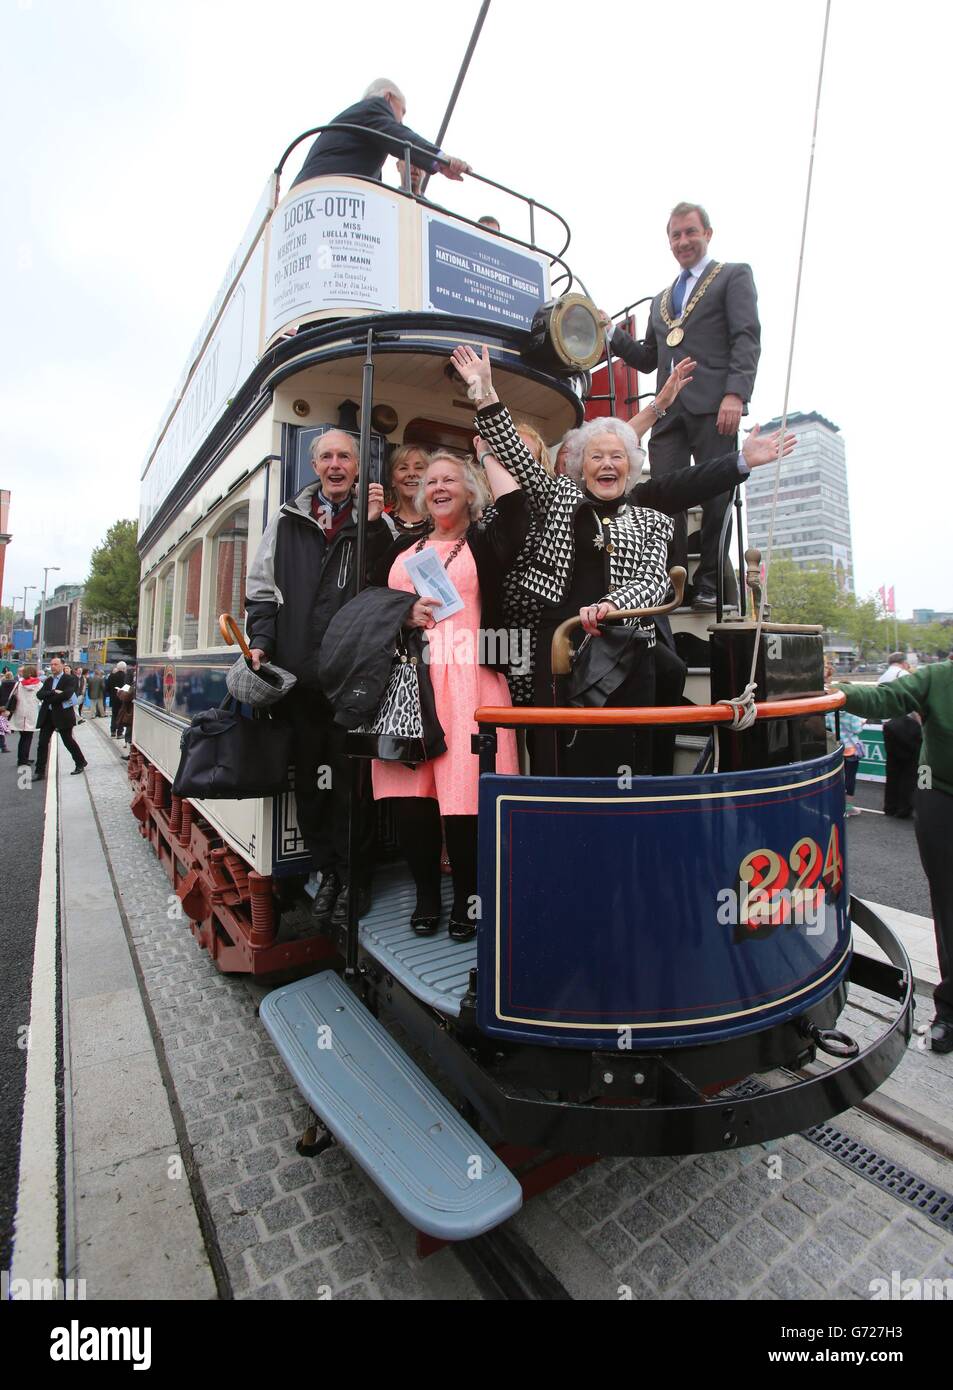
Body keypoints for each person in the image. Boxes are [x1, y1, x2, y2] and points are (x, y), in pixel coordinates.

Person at [452, 344, 794, 774]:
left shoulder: (652, 520)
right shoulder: (558, 496)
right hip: (557, 648)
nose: (607, 464)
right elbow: (518, 457)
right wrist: (484, 390)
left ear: (630, 468)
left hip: (625, 649)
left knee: (622, 755)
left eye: (617, 457)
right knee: (556, 756)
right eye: (596, 457)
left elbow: (654, 580)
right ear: (581, 467)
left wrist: (613, 607)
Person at [368, 450, 528, 940]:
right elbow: (370, 602)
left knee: (465, 795)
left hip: (470, 678)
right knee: (410, 795)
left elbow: (517, 508)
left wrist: (487, 452)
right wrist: (403, 614)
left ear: (469, 491)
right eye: (431, 481)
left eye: (450, 480)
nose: (438, 487)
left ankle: (466, 898)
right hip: (410, 680)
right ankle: (426, 896)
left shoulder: (485, 540)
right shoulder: (404, 547)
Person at [245, 430, 389, 927]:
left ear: (357, 466)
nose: (335, 464)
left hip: (352, 681)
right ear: (314, 466)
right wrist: (261, 641)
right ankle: (328, 871)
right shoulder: (287, 521)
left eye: (344, 456)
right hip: (300, 680)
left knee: (353, 786)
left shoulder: (376, 520)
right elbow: (261, 591)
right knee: (310, 783)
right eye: (326, 456)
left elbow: (388, 584)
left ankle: (355, 876)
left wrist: (375, 527)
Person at [599, 202, 761, 610]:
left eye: (690, 232)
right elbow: (647, 359)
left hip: (714, 405)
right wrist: (612, 333)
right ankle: (671, 576)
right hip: (668, 411)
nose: (683, 241)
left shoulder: (733, 276)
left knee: (717, 493)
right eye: (676, 235)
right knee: (664, 493)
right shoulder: (660, 301)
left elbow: (746, 336)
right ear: (669, 241)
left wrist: (735, 394)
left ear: (708, 233)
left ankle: (709, 581)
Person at [831, 660, 953, 1053]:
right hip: (942, 796)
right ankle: (950, 1011)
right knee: (949, 904)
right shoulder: (938, 677)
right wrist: (833, 689)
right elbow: (886, 698)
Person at [292, 79, 470, 189]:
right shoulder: (374, 107)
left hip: (311, 193)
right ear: (388, 97)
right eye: (402, 111)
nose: (401, 121)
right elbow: (400, 135)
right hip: (327, 190)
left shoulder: (358, 126)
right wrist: (440, 159)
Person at [875, 653, 921, 817]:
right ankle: (904, 807)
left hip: (889, 725)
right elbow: (914, 704)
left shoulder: (882, 677)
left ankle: (890, 806)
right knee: (910, 769)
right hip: (906, 725)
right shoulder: (904, 675)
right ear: (904, 663)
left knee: (893, 768)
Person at [34, 657, 87, 779]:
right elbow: (39, 694)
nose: (53, 667)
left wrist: (49, 698)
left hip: (63, 715)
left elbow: (67, 695)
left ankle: (80, 762)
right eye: (51, 664)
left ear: (62, 665)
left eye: (56, 664)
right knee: (42, 743)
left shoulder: (70, 679)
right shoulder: (49, 680)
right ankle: (40, 771)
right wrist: (53, 692)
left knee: (68, 741)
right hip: (48, 715)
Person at [383, 444, 431, 538]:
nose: (411, 474)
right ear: (392, 479)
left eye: (419, 468)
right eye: (403, 468)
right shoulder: (382, 519)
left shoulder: (442, 518)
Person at [3, 664, 42, 766]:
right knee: (28, 737)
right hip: (31, 713)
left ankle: (22, 758)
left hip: (20, 712)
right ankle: (24, 759)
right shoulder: (39, 684)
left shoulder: (19, 684)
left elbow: (12, 696)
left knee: (23, 737)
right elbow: (41, 698)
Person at [106, 661, 130, 736]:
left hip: (113, 699)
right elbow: (128, 688)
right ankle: (119, 732)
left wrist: (112, 693)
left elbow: (107, 688)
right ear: (124, 668)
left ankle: (112, 731)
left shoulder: (111, 676)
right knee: (121, 715)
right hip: (122, 699)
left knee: (114, 715)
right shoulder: (126, 677)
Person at [0, 668, 14, 753]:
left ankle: (3, 746)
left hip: (2, 703)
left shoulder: (3, 684)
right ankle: (3, 747)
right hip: (10, 703)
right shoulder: (15, 684)